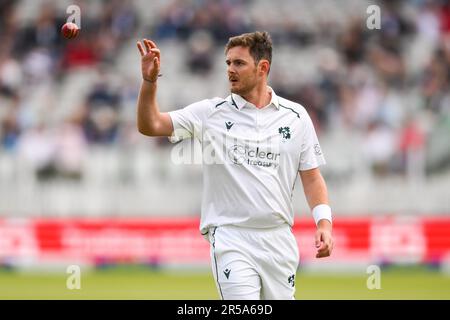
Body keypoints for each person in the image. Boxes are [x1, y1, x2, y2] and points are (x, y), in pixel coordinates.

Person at [136, 31, 334, 300]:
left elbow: (311, 177)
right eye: (228, 63)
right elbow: (151, 125)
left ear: (262, 68)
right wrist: (149, 82)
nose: (230, 69)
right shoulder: (210, 112)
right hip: (232, 238)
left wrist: (324, 223)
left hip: (279, 239)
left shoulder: (296, 116)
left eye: (239, 63)